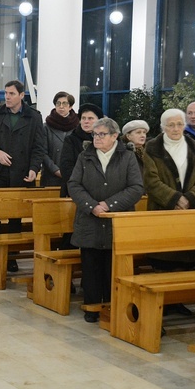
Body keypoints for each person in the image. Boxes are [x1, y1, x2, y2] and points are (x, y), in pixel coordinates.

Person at [67, 117, 143, 323]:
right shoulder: (85, 156)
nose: (97, 138)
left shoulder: (127, 157)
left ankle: (113, 306)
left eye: (102, 134)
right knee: (91, 266)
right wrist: (92, 206)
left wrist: (109, 205)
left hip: (117, 221)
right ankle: (91, 307)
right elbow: (74, 185)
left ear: (114, 136)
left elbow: (136, 187)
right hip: (89, 221)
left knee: (112, 266)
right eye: (95, 134)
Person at [142, 109, 195, 314]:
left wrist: (189, 199)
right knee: (164, 257)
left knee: (186, 255)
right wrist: (174, 199)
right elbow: (151, 181)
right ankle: (164, 303)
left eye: (179, 124)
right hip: (162, 211)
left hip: (190, 213)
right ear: (163, 127)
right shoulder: (151, 149)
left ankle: (178, 300)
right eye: (170, 125)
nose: (175, 128)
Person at [0, 80, 46, 272]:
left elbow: (39, 147)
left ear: (21, 95)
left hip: (21, 171)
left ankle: (12, 257)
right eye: (6, 93)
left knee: (16, 216)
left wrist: (34, 168)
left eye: (11, 93)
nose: (7, 97)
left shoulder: (33, 116)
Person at [59, 103, 104, 197]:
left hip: (102, 191)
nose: (86, 121)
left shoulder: (106, 139)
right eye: (83, 118)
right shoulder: (71, 140)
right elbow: (66, 167)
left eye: (90, 118)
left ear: (99, 121)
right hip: (76, 191)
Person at [41, 92, 79, 187]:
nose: (61, 106)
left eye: (65, 103)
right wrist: (55, 170)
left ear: (70, 107)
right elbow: (42, 152)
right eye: (58, 103)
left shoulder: (78, 126)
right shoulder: (46, 127)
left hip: (74, 176)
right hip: (51, 177)